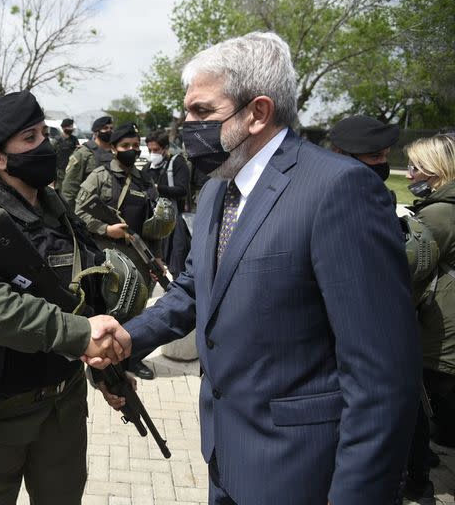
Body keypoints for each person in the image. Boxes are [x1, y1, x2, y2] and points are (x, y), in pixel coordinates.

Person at [99, 32, 420, 505]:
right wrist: (131, 336)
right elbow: (194, 289)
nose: (186, 125)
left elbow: (381, 377)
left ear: (258, 112)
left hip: (301, 473)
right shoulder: (215, 188)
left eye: (202, 112)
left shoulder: (338, 189)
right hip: (224, 459)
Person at [0, 90, 128, 504]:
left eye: (43, 134)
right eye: (30, 138)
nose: (45, 145)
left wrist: (104, 366)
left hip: (61, 410)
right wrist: (77, 335)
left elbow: (81, 297)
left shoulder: (56, 209)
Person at [74, 122, 161, 381]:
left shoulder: (145, 180)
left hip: (138, 256)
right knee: (107, 310)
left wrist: (155, 257)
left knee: (136, 310)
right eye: (125, 146)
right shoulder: (99, 177)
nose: (132, 150)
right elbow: (79, 212)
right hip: (109, 258)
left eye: (136, 146)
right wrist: (105, 228)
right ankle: (102, 364)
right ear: (113, 148)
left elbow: (151, 224)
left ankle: (131, 358)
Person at [403, 134, 455, 501]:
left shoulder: (438, 213)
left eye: (417, 167)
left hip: (441, 335)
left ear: (436, 170)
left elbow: (406, 265)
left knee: (421, 408)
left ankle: (418, 478)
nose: (409, 175)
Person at [143, 130, 192, 276]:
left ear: (165, 148)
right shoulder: (147, 168)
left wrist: (158, 189)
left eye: (156, 150)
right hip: (154, 223)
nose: (153, 154)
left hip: (174, 221)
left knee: (176, 263)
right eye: (150, 150)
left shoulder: (176, 162)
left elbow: (182, 190)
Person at [330, 115, 400, 200]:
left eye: (386, 155)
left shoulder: (381, 195)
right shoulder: (332, 197)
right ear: (342, 154)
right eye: (375, 156)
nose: (383, 161)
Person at [61, 115, 114, 210]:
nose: (109, 131)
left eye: (111, 128)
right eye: (105, 128)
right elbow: (70, 187)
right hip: (87, 210)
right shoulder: (83, 153)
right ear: (96, 132)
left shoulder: (115, 153)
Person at [52, 117, 80, 191]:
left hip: (70, 169)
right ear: (63, 127)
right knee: (59, 190)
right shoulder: (57, 140)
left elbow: (77, 152)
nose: (71, 128)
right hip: (59, 170)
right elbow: (51, 155)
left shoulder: (74, 139)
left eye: (71, 126)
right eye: (69, 127)